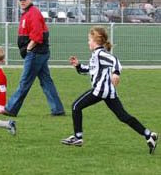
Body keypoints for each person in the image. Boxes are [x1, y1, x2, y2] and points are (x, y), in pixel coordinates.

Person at [61, 26, 158, 154]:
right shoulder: (96, 55)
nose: (88, 42)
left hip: (100, 91)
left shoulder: (100, 54)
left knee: (75, 106)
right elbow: (90, 70)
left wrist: (116, 73)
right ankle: (149, 134)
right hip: (109, 92)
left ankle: (78, 137)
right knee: (123, 116)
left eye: (89, 39)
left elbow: (115, 61)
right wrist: (78, 66)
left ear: (96, 40)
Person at [0, 0, 65, 117]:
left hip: (36, 53)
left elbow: (37, 35)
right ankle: (57, 109)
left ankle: (11, 108)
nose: (22, 1)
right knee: (46, 81)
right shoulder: (28, 13)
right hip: (39, 53)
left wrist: (28, 48)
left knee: (25, 82)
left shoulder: (33, 13)